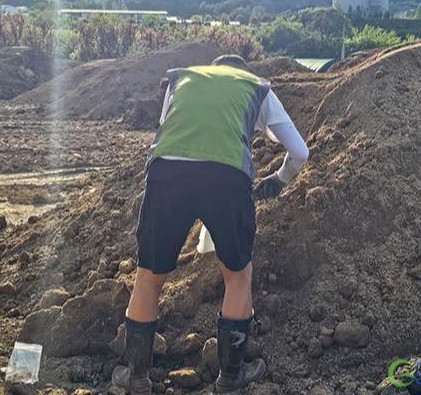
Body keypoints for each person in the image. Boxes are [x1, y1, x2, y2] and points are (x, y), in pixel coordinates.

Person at [122, 55, 309, 394]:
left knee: (148, 275)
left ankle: (136, 378)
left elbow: (169, 127)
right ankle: (230, 378)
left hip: (166, 174)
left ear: (212, 68)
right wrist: (279, 179)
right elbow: (300, 152)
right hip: (226, 178)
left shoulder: (182, 79)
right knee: (238, 275)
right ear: (242, 71)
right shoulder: (256, 88)